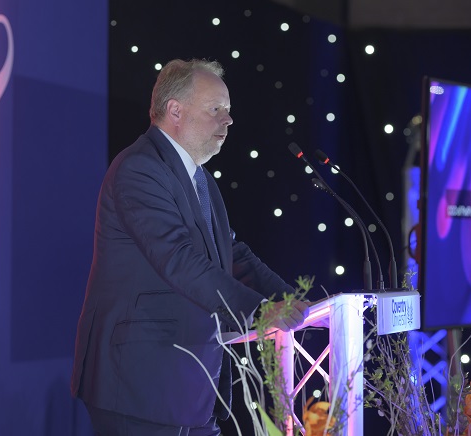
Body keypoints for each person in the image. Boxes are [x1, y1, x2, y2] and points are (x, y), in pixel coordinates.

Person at [70, 58, 310, 435]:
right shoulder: (139, 169)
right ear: (175, 111)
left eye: (228, 111)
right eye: (216, 109)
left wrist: (295, 300)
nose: (228, 121)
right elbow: (178, 259)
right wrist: (262, 312)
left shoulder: (199, 178)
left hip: (185, 386)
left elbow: (234, 256)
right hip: (140, 383)